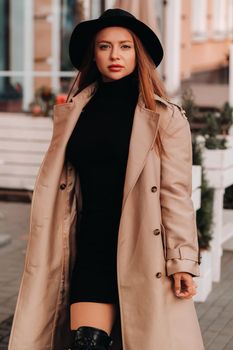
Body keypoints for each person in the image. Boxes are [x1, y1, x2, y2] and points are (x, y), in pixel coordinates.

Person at [8, 8, 204, 350]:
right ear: (93, 55)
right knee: (87, 343)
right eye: (105, 46)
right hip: (90, 249)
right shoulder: (74, 111)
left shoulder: (165, 117)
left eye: (125, 46)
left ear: (137, 54)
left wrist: (183, 261)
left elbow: (176, 195)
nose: (115, 55)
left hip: (144, 253)